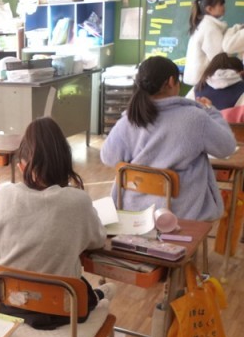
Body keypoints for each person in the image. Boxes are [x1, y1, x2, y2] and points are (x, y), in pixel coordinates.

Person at [0, 117, 115, 331]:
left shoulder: (3, 194)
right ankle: (99, 295)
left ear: (21, 166)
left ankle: (98, 295)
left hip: (8, 304)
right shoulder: (77, 201)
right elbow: (97, 241)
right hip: (61, 310)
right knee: (79, 287)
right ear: (66, 164)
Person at [101, 56, 236, 222]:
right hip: (182, 214)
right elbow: (226, 148)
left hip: (134, 213)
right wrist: (212, 112)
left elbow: (108, 157)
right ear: (172, 81)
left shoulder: (130, 118)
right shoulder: (196, 117)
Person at [183, 0, 228, 86]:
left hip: (199, 80)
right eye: (221, 4)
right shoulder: (210, 28)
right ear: (210, 9)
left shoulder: (203, 24)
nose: (224, 7)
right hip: (204, 82)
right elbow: (220, 59)